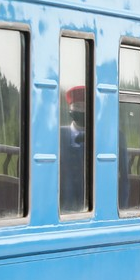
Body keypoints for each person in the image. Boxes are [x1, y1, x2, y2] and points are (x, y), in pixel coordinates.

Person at [59, 85, 88, 213]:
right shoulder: (57, 136)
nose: (80, 111)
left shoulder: (102, 138)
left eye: (84, 107)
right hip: (63, 209)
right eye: (76, 107)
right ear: (70, 110)